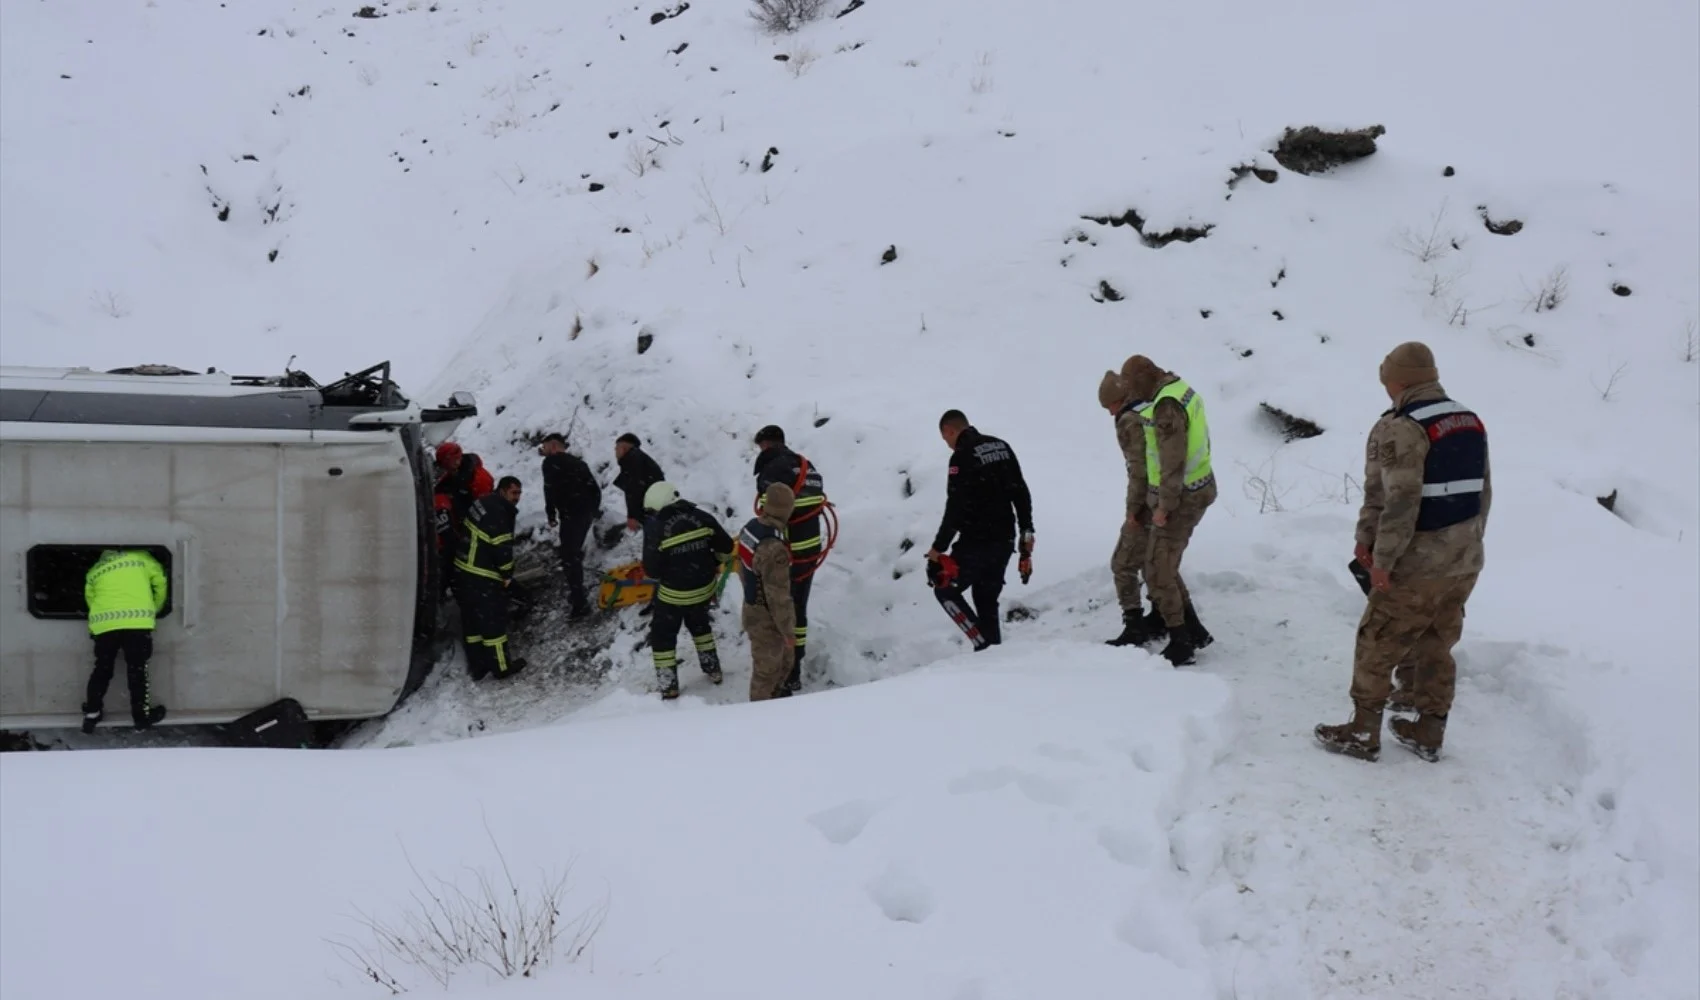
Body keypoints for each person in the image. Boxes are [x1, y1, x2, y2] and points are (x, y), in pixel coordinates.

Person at [1316, 342, 1490, 763]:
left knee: (1377, 638)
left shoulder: (1400, 426)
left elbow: (1397, 500)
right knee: (1437, 641)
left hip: (1418, 561)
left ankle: (1362, 731)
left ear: (1398, 380)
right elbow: (1484, 491)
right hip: (1464, 557)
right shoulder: (1467, 419)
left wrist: (1382, 559)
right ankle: (1429, 731)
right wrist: (1470, 543)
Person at [1120, 355, 1216, 666]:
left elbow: (1172, 459)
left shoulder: (1166, 405)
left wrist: (1165, 505)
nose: (1134, 396)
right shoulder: (1179, 390)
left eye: (1135, 388)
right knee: (1164, 564)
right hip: (1196, 486)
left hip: (1182, 496)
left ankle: (1181, 643)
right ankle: (1194, 631)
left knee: (1157, 569)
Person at [925, 410, 1034, 650]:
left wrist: (937, 549)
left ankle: (983, 644)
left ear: (949, 431)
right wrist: (1027, 532)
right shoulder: (1001, 446)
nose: (948, 445)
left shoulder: (961, 457)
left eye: (946, 439)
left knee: (944, 589)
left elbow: (955, 508)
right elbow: (1021, 492)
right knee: (985, 599)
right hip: (1005, 538)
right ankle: (992, 656)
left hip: (976, 541)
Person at [642, 480, 734, 700]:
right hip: (704, 588)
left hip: (675, 593)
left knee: (663, 634)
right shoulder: (702, 516)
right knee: (699, 623)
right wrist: (713, 563)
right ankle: (713, 669)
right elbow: (727, 548)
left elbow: (652, 570)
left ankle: (669, 685)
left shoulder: (656, 528)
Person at [752, 425, 826, 693]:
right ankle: (795, 671)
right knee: (799, 609)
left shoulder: (773, 468)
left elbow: (768, 512)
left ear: (766, 445)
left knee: (780, 611)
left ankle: (782, 674)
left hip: (785, 552)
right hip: (809, 551)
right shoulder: (806, 466)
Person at [1098, 368, 1165, 647]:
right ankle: (1162, 616)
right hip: (1166, 497)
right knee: (1155, 562)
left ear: (1118, 400)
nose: (1110, 413)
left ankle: (1135, 624)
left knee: (1123, 564)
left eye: (1109, 406)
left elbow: (1139, 470)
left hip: (1148, 501)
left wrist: (1132, 511)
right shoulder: (1149, 410)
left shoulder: (1129, 421)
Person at [80, 548, 170, 733]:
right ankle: (141, 718)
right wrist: (155, 608)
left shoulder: (95, 570)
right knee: (137, 670)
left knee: (102, 670)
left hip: (104, 627)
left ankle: (92, 714)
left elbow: (91, 600)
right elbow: (160, 582)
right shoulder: (141, 558)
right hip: (136, 624)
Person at [454, 475, 529, 681]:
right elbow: (502, 549)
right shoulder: (499, 513)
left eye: (520, 493)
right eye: (514, 493)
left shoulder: (484, 502)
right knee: (492, 621)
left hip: (464, 570)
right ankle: (501, 667)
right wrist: (507, 575)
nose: (517, 498)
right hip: (481, 573)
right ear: (503, 490)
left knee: (473, 623)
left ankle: (478, 666)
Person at [737, 483, 799, 701]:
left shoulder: (750, 528)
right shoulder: (774, 547)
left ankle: (774, 703)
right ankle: (760, 717)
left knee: (781, 663)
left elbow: (741, 567)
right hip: (767, 618)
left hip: (752, 606)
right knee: (767, 673)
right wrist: (788, 632)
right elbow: (778, 596)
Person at [539, 432, 602, 619]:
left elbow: (548, 489)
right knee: (572, 552)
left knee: (568, 556)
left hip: (570, 514)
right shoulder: (579, 463)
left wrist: (551, 513)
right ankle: (577, 590)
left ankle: (579, 601)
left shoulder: (550, 463)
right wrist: (592, 510)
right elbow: (594, 488)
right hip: (584, 513)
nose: (543, 452)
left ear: (552, 446)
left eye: (544, 447)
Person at [433, 440, 494, 591]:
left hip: (477, 524)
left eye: (454, 458)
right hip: (461, 525)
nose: (452, 463)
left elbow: (486, 505)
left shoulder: (477, 477)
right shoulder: (448, 480)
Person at [613, 433, 665, 535]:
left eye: (616, 448)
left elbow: (634, 488)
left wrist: (633, 516)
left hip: (652, 510)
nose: (615, 452)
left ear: (624, 447)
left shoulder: (632, 459)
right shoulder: (638, 458)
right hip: (655, 508)